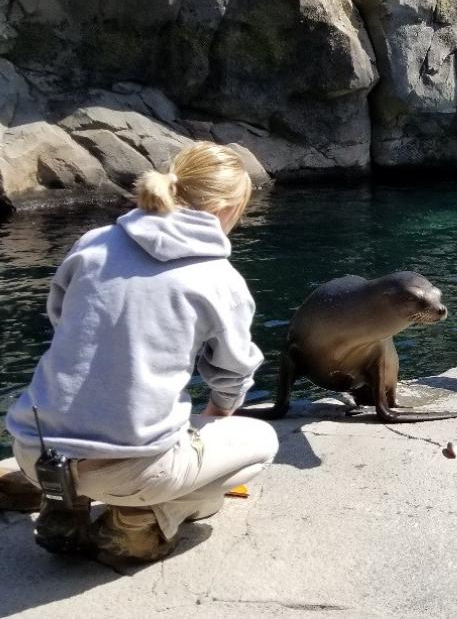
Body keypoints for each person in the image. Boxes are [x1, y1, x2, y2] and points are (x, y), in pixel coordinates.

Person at [4, 141, 278, 564]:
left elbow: (62, 319)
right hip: (133, 471)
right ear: (225, 209)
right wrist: (218, 415)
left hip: (34, 449)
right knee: (261, 441)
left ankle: (64, 502)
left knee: (84, 440)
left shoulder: (92, 243)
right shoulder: (219, 279)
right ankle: (138, 522)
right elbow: (234, 372)